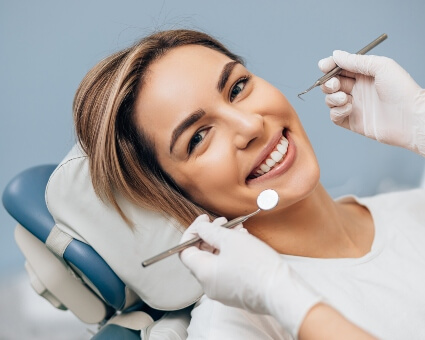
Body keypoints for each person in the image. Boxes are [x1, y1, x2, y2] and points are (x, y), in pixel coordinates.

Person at [73, 29, 425, 339]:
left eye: (237, 87)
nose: (250, 126)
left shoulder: (413, 207)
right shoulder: (232, 327)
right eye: (197, 138)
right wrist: (280, 294)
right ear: (172, 193)